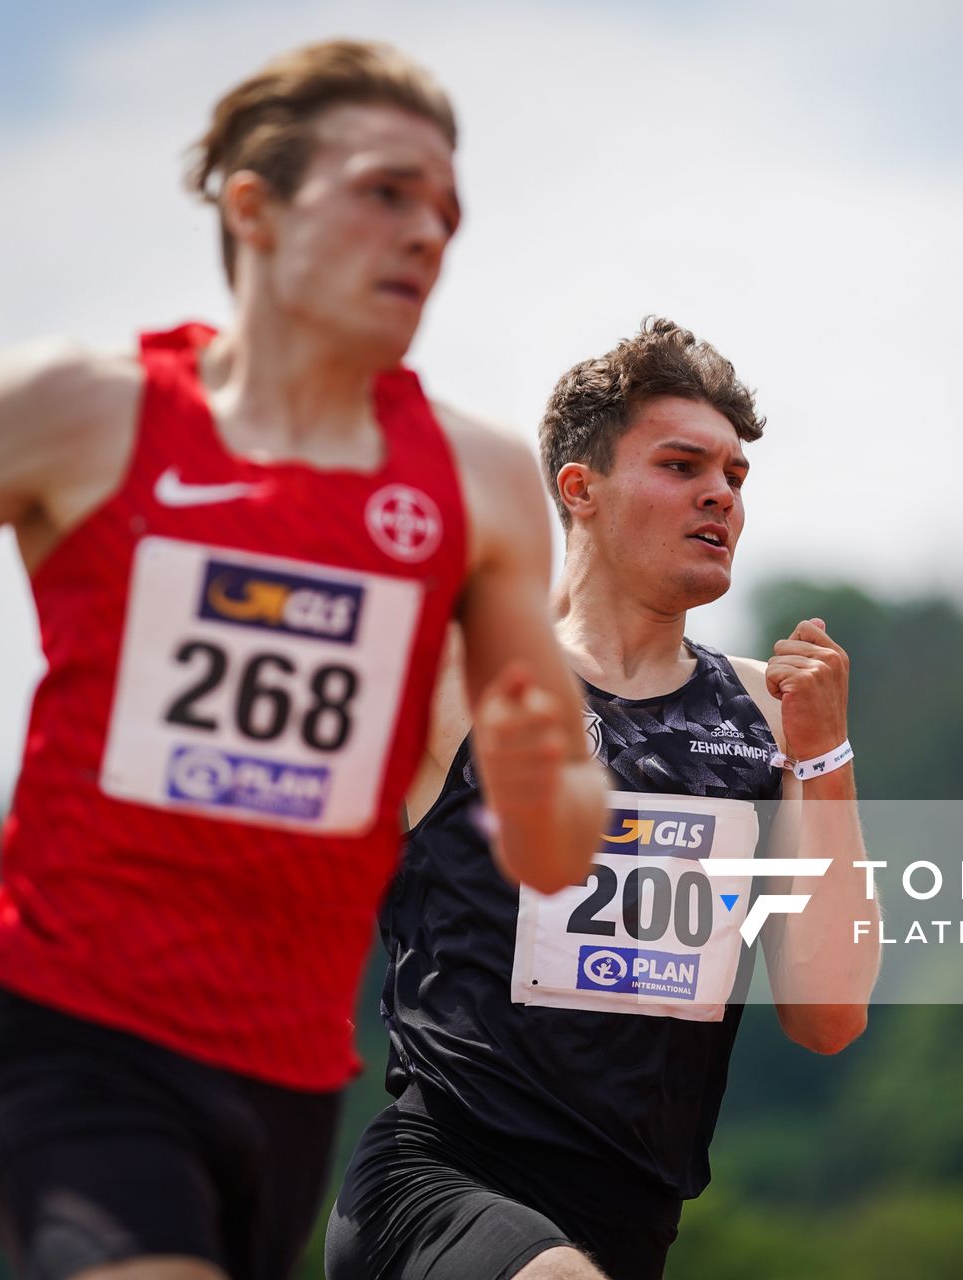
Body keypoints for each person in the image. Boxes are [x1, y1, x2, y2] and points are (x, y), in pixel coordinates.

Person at [0, 39, 606, 1280]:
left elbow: (560, 849)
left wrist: (533, 781)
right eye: (385, 192)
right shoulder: (80, 411)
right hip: (68, 1026)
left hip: (290, 1072)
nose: (427, 236)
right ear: (255, 204)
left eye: (447, 212)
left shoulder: (473, 475)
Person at [325, 317, 882, 1280]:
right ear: (580, 490)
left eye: (736, 477)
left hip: (631, 1225)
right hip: (438, 1188)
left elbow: (827, 1015)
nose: (720, 493)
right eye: (681, 465)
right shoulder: (467, 680)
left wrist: (825, 754)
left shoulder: (768, 715)